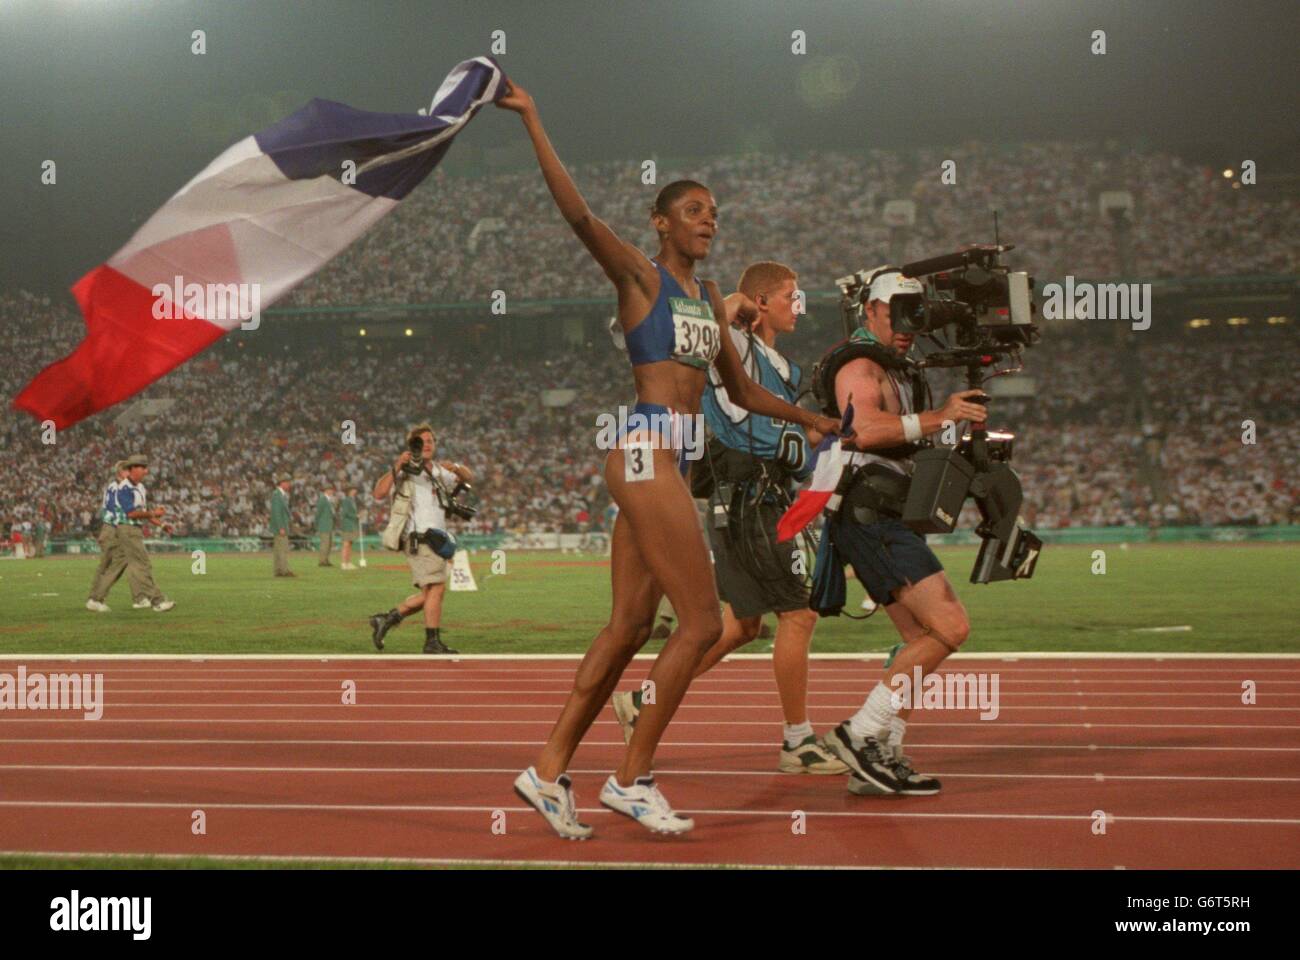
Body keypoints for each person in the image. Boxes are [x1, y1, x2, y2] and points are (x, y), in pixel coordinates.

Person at [496, 80, 845, 839]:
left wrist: (812, 417)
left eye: (714, 212)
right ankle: (632, 777)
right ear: (660, 224)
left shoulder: (707, 294)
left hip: (671, 464)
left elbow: (743, 390)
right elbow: (578, 214)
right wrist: (531, 118)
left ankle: (547, 771)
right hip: (648, 453)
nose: (708, 220)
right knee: (695, 625)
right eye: (693, 211)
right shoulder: (642, 279)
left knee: (627, 630)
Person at [610, 260, 846, 775]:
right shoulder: (734, 347)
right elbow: (699, 324)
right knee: (799, 614)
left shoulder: (777, 365)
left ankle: (644, 701)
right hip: (746, 496)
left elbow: (779, 441)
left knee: (740, 627)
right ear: (761, 303)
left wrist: (824, 439)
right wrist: (733, 304)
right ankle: (797, 742)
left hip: (760, 492)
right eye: (790, 295)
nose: (798, 304)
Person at [809, 267, 989, 796]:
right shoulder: (860, 364)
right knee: (950, 627)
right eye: (899, 313)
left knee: (918, 639)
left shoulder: (896, 366)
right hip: (868, 512)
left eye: (918, 314)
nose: (911, 325)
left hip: (881, 511)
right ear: (870, 310)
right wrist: (939, 417)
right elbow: (862, 428)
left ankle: (882, 752)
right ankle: (859, 734)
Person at [368, 425, 473, 655]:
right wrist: (397, 465)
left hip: (438, 539)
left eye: (430, 441)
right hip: (419, 538)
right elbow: (378, 493)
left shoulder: (438, 471)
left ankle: (386, 619)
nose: (426, 444)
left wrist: (454, 467)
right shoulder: (405, 470)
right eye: (420, 441)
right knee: (436, 588)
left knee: (433, 593)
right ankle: (431, 642)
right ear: (411, 446)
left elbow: (468, 477)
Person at [113, 454, 175, 612]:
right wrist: (154, 513)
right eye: (142, 467)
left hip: (134, 529)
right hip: (127, 528)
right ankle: (157, 601)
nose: (146, 471)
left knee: (135, 565)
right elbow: (132, 513)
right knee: (142, 564)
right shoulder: (124, 488)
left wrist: (161, 525)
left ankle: (140, 598)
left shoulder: (140, 488)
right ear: (132, 469)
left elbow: (144, 513)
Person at [86, 460, 135, 612]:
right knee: (120, 561)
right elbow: (118, 511)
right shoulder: (120, 488)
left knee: (105, 565)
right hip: (114, 529)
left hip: (107, 528)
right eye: (129, 471)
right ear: (122, 472)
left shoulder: (112, 487)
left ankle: (93, 598)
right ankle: (97, 598)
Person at [270, 474, 294, 577]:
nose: (289, 485)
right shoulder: (277, 495)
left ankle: (278, 570)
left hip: (281, 526)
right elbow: (277, 512)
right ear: (282, 483)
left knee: (278, 549)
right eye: (287, 482)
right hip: (281, 526)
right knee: (283, 548)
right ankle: (284, 570)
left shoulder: (280, 494)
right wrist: (281, 527)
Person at [315, 485, 338, 567]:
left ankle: (326, 560)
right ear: (326, 491)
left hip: (329, 524)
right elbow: (318, 513)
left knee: (329, 544)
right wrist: (317, 524)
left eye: (332, 490)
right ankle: (322, 561)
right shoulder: (322, 499)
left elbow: (332, 512)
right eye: (330, 490)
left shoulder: (329, 500)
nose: (332, 491)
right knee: (324, 544)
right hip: (324, 525)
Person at [338, 486, 360, 570]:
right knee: (346, 544)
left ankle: (348, 562)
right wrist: (356, 516)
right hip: (347, 525)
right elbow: (345, 513)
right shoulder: (346, 500)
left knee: (350, 544)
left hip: (352, 524)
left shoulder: (352, 500)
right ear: (350, 491)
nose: (355, 491)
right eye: (354, 489)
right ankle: (344, 563)